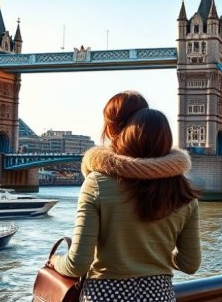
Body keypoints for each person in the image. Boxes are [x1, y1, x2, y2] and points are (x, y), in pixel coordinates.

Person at [51, 94, 201, 302]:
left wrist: (55, 260)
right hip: (159, 295)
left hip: (106, 295)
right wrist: (157, 254)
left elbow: (78, 263)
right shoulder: (185, 192)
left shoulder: (97, 183)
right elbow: (190, 264)